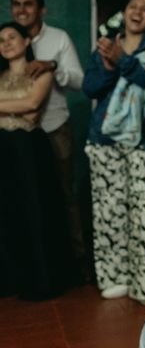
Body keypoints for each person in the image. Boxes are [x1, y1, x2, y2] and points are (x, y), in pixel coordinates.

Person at [82, 0, 145, 306]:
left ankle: (142, 283)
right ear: (123, 14)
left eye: (144, 9)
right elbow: (90, 87)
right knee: (108, 212)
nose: (137, 12)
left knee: (143, 215)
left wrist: (123, 61)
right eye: (132, 7)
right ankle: (114, 277)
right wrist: (111, 62)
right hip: (105, 141)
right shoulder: (105, 44)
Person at [10, 0, 87, 279]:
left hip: (53, 127)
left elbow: (79, 81)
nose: (21, 9)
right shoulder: (6, 39)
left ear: (42, 9)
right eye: (16, 4)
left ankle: (75, 263)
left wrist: (53, 66)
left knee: (64, 195)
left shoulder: (58, 38)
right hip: (14, 135)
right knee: (21, 197)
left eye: (28, 4)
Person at [0, 21, 73, 300]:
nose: (6, 43)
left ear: (26, 42)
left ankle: (41, 278)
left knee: (35, 210)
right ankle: (11, 279)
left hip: (28, 148)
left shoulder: (40, 71)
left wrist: (9, 109)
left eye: (11, 37)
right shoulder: (0, 75)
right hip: (3, 149)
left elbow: (31, 107)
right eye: (1, 40)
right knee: (7, 211)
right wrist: (13, 109)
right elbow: (21, 107)